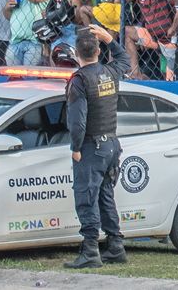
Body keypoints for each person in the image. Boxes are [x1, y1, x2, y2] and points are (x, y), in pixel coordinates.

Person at [64, 23, 131, 269]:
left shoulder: (79, 80)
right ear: (99, 51)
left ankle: (90, 250)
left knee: (86, 197)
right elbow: (125, 58)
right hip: (111, 144)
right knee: (104, 195)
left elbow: (77, 122)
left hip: (92, 146)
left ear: (75, 53)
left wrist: (75, 147)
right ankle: (115, 246)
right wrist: (109, 38)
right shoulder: (110, 72)